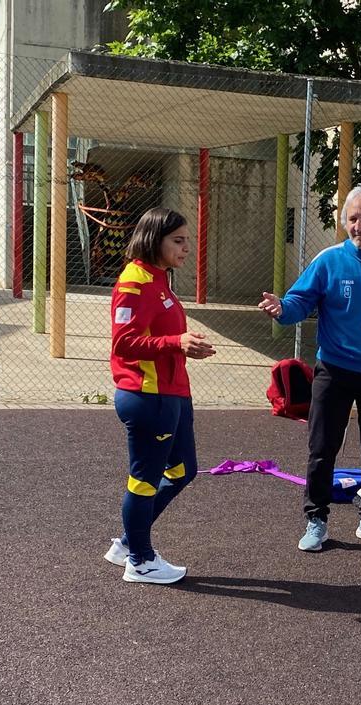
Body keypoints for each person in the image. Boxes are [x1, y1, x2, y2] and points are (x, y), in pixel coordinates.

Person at [258, 185, 361, 552]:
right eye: (352, 219)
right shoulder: (329, 261)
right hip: (334, 369)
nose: (358, 226)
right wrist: (282, 309)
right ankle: (316, 519)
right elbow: (300, 301)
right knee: (322, 448)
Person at [104, 207, 216, 584]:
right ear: (155, 240)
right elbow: (124, 343)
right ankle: (140, 560)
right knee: (144, 481)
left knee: (184, 471)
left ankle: (127, 541)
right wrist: (176, 342)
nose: (187, 249)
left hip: (173, 394)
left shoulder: (159, 278)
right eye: (178, 241)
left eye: (188, 241)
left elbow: (162, 339)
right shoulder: (134, 281)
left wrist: (185, 346)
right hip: (148, 397)